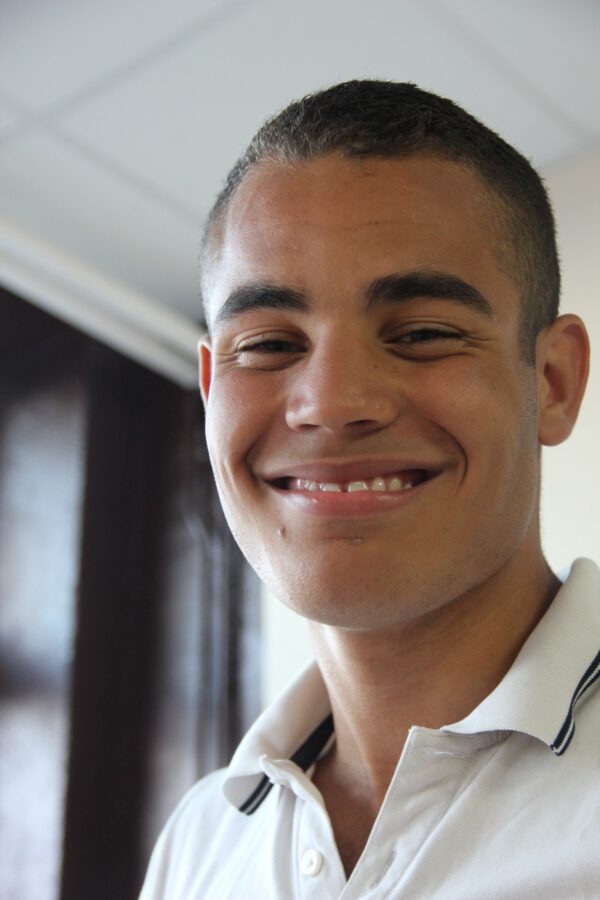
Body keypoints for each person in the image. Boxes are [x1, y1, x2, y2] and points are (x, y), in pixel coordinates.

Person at [140, 81, 597, 899]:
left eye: (422, 333)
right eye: (270, 344)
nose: (333, 402)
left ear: (554, 382)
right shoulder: (199, 847)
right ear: (211, 393)